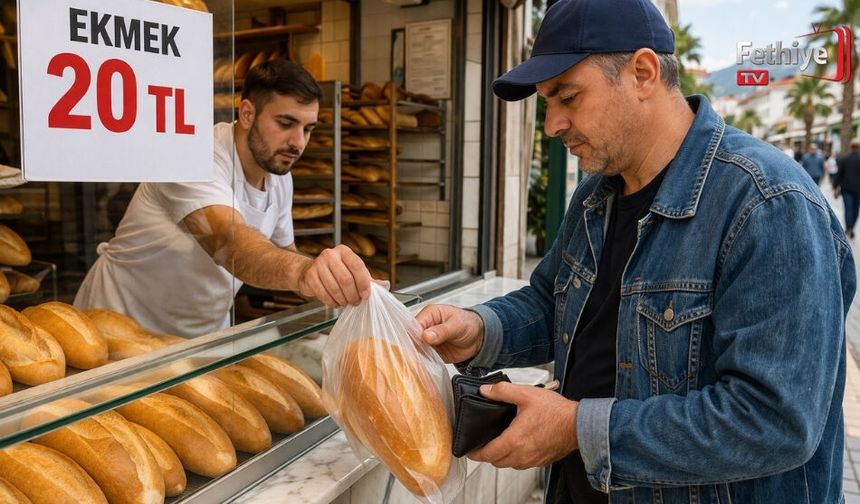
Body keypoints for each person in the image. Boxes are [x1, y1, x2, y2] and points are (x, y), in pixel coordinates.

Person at [416, 0, 855, 502]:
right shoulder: (597, 193)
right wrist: (478, 329)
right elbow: (551, 300)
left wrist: (578, 428)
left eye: (568, 96)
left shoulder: (767, 203)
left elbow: (774, 421)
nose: (552, 124)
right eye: (546, 102)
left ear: (643, 73)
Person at [75, 60, 372, 337]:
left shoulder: (280, 176)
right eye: (285, 124)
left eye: (307, 129)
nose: (298, 143)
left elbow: (283, 252)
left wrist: (338, 286)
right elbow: (227, 242)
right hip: (119, 321)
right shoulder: (191, 155)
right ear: (247, 114)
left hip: (201, 334)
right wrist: (304, 271)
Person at [834, 139, 860, 239]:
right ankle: (852, 227)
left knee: (848, 209)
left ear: (851, 147)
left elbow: (838, 174)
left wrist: (835, 187)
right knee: (856, 209)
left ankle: (848, 227)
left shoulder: (844, 159)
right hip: (858, 189)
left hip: (846, 189)